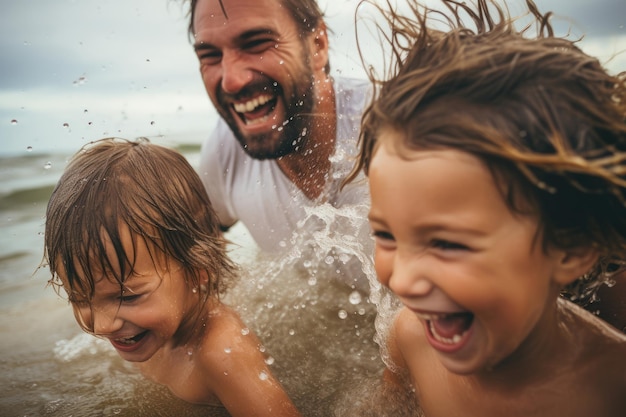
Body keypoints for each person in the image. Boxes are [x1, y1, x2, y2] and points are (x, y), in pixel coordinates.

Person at [349, 0, 626, 415]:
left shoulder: (611, 388)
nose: (402, 281)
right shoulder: (410, 338)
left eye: (445, 243)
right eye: (385, 235)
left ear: (570, 247)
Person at [43, 138, 301, 417]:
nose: (103, 325)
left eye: (128, 297)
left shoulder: (222, 354)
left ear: (199, 269)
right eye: (79, 297)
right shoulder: (146, 329)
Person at [186, 0, 372, 259]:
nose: (231, 81)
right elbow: (197, 250)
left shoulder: (395, 130)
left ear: (318, 45)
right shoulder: (224, 153)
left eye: (256, 44)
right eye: (210, 56)